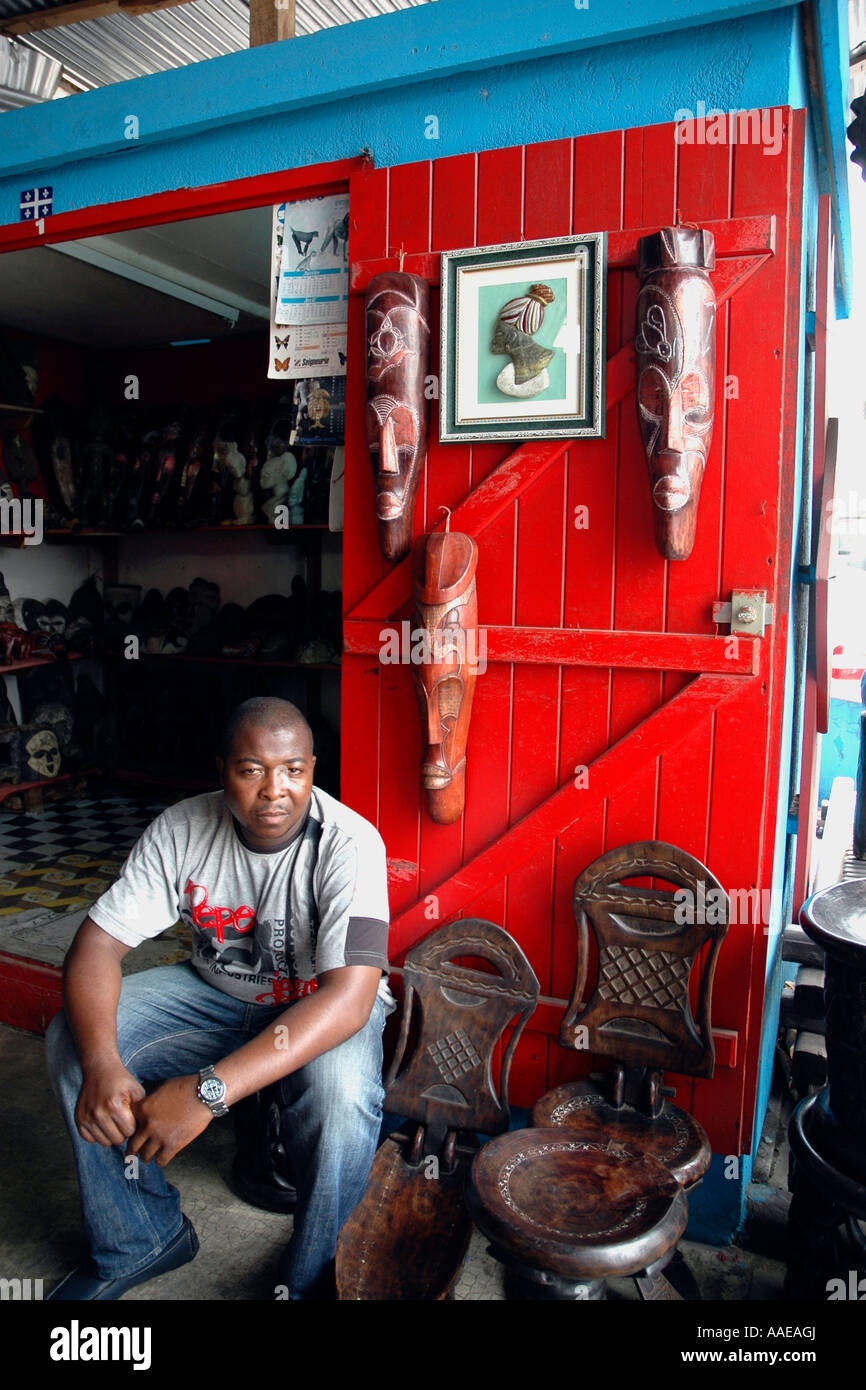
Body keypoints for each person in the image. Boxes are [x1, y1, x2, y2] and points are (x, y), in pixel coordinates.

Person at [44, 696, 392, 1301]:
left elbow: (350, 1001)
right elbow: (95, 948)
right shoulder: (182, 828)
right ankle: (141, 1239)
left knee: (342, 1094)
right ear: (222, 770)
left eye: (293, 770)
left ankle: (312, 1278)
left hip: (319, 1011)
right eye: (251, 769)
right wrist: (102, 1063)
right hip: (216, 997)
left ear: (314, 768)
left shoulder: (352, 845)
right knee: (73, 1040)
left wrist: (208, 1092)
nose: (274, 791)